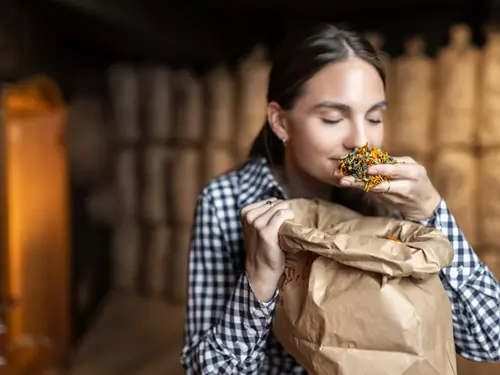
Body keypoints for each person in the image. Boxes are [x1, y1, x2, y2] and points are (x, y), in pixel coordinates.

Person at [180, 23, 500, 374]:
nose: (361, 140)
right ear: (281, 122)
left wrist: (432, 214)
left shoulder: (394, 201)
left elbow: (490, 341)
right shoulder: (226, 202)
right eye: (333, 118)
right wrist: (258, 281)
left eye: (374, 117)